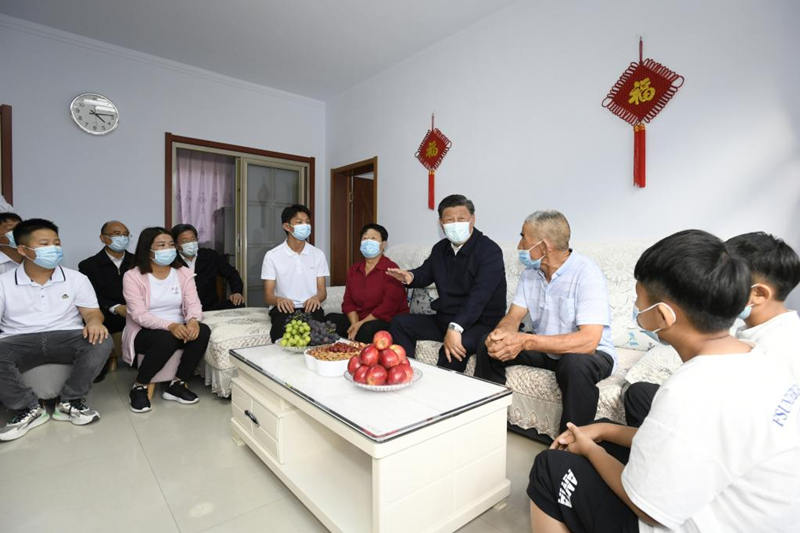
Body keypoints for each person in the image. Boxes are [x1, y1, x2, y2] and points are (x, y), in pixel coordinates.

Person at [527, 229, 800, 533]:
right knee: (609, 433)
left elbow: (648, 509)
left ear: (663, 316)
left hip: (695, 522)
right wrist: (605, 429)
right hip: (753, 512)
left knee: (550, 466)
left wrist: (592, 449)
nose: (636, 308)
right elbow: (688, 442)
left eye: (639, 300)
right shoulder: (758, 357)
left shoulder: (690, 390)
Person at [624, 230, 800, 427]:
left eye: (730, 280)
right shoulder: (753, 331)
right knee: (639, 394)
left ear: (758, 293)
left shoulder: (779, 349)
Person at [474, 210, 616, 431]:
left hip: (591, 353)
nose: (519, 246)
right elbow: (513, 316)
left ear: (543, 246)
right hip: (547, 349)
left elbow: (588, 341)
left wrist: (525, 341)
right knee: (488, 345)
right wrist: (501, 334)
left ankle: (571, 447)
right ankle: (486, 422)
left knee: (574, 364)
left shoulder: (586, 273)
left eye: (523, 237)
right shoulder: (530, 274)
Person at [0, 219, 111, 441]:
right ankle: (26, 408)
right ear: (23, 249)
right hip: (17, 339)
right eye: (44, 243)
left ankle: (70, 401)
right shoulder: (3, 282)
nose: (53, 248)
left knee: (101, 340)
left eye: (56, 243)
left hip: (66, 336)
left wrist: (94, 322)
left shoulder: (76, 279)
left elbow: (92, 312)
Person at [387, 194, 506, 372]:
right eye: (450, 220)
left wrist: (456, 327)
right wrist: (410, 276)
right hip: (445, 318)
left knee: (453, 348)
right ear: (441, 223)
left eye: (461, 219)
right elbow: (426, 272)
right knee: (399, 323)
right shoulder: (440, 249)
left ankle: (443, 396)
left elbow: (479, 297)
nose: (455, 224)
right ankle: (405, 372)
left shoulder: (489, 251)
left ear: (472, 219)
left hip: (480, 324)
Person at [122, 227, 210, 413]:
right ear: (148, 249)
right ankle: (140, 385)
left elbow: (193, 303)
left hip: (179, 326)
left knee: (202, 330)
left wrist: (193, 320)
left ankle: (177, 384)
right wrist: (170, 325)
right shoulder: (133, 276)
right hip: (145, 331)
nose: (167, 249)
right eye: (161, 245)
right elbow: (138, 314)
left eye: (171, 244)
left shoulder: (183, 273)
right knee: (166, 337)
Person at [326, 224, 409, 343]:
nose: (368, 242)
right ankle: (340, 352)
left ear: (383, 244)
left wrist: (361, 324)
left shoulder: (391, 269)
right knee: (330, 320)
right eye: (365, 238)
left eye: (373, 238)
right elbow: (348, 302)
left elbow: (388, 307)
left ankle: (357, 350)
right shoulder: (354, 269)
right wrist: (355, 324)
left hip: (386, 320)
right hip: (360, 319)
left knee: (366, 330)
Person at [262, 204, 329, 342]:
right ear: (287, 226)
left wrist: (316, 298)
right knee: (281, 336)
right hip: (284, 308)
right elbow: (268, 296)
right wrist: (279, 300)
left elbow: (322, 292)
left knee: (320, 336)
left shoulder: (318, 254)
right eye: (299, 222)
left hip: (311, 307)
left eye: (308, 222)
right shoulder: (272, 256)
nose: (306, 225)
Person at [78, 220, 136, 380]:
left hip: (134, 313)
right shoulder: (88, 265)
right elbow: (91, 295)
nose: (122, 238)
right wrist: (115, 307)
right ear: (103, 238)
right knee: (95, 373)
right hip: (105, 314)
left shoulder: (138, 262)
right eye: (116, 234)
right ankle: (107, 357)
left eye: (125, 234)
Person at [171, 223, 245, 310]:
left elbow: (232, 273)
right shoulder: (172, 261)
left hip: (210, 306)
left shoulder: (210, 255)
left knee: (238, 304)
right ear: (176, 245)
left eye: (193, 239)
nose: (190, 243)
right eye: (185, 241)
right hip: (183, 309)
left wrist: (236, 292)